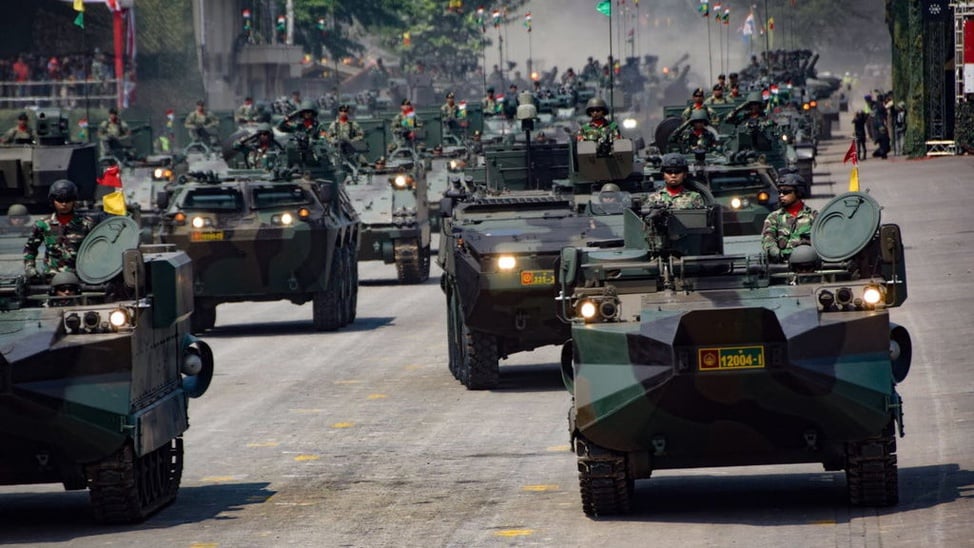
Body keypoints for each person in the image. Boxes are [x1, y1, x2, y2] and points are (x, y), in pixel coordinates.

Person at [23, 179, 96, 279]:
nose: (64, 204)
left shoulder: (86, 223)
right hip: (52, 278)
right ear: (53, 200)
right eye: (60, 200)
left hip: (80, 277)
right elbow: (30, 248)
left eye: (68, 200)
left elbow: (97, 249)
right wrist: (30, 268)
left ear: (74, 200)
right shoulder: (43, 224)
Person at [761, 173, 817, 264]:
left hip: (807, 264)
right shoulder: (774, 217)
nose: (781, 195)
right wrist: (774, 251)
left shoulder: (813, 216)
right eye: (779, 192)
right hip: (782, 264)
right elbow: (768, 238)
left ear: (798, 192)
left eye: (786, 192)